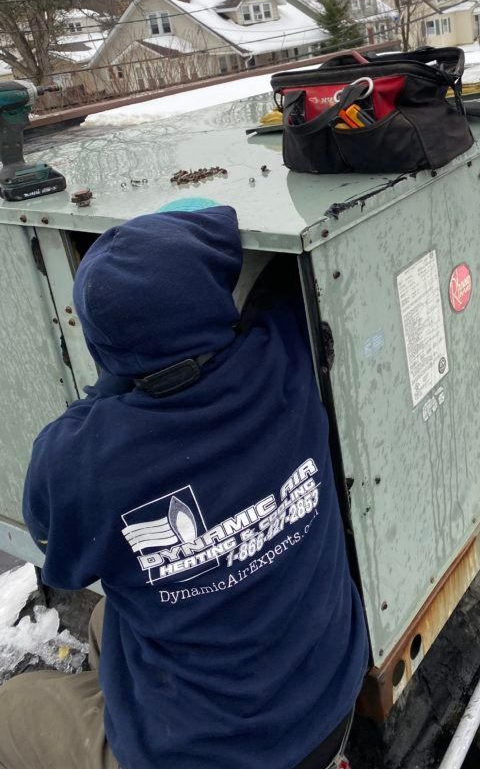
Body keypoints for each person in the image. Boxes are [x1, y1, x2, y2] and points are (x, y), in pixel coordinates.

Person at [0, 201, 369, 769]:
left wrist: (117, 385)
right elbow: (275, 279)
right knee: (106, 624)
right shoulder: (286, 353)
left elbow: (59, 557)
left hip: (206, 758)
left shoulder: (80, 463)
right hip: (329, 709)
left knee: (13, 708)